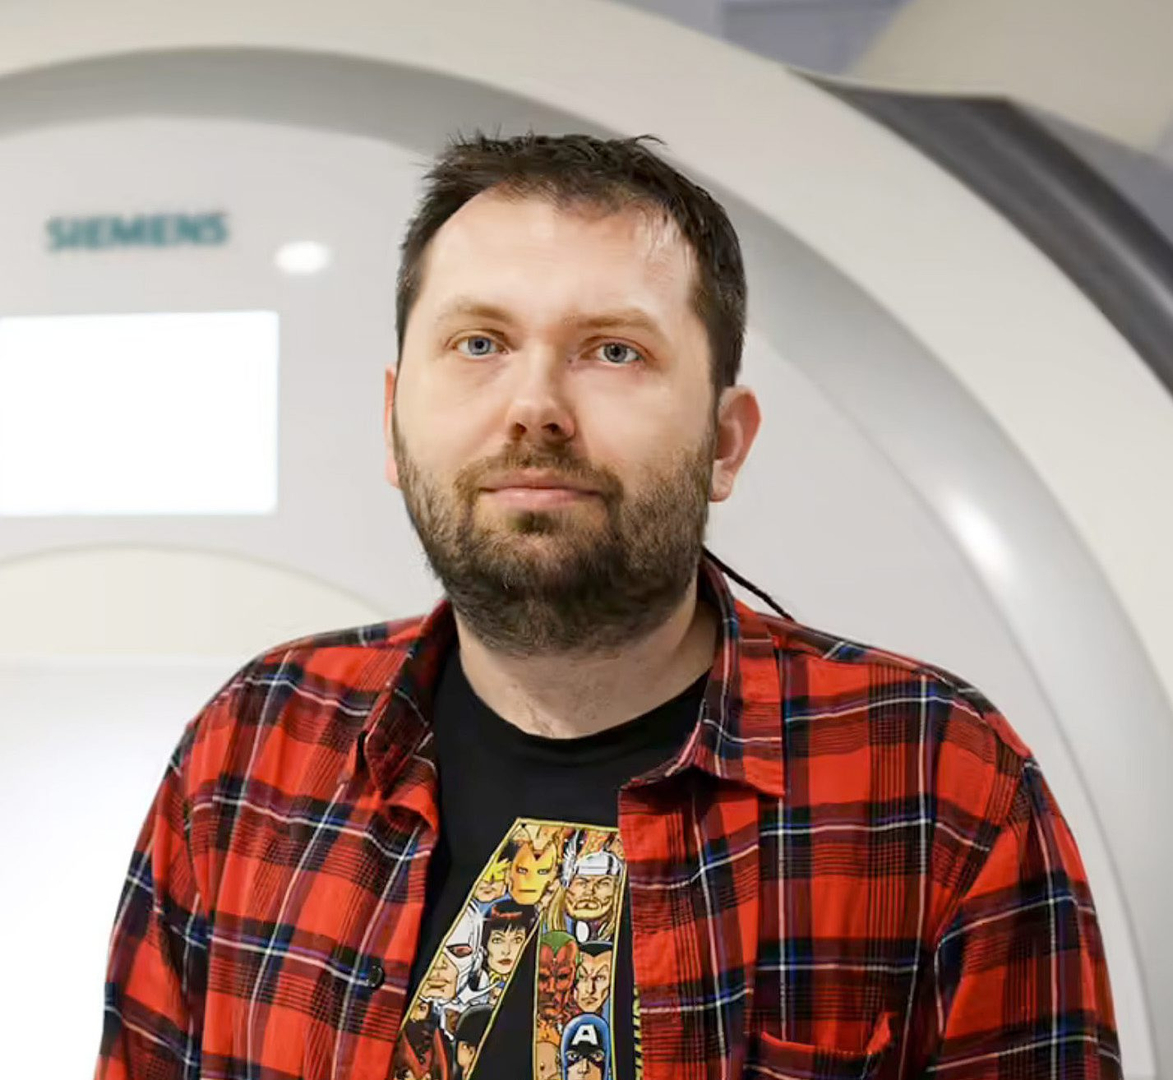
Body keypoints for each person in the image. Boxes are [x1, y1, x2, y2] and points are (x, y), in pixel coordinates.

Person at [95, 131, 1122, 1080]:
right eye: (479, 343)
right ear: (394, 420)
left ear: (725, 442)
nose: (535, 406)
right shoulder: (253, 750)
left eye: (614, 350)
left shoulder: (934, 780)